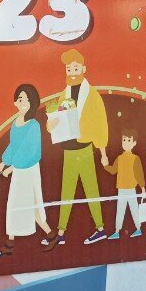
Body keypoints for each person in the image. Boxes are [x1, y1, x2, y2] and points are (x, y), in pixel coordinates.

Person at [42, 49, 109, 250]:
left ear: (83, 68)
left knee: (91, 189)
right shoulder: (65, 94)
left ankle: (100, 228)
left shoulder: (92, 95)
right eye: (69, 68)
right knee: (67, 192)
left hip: (84, 148)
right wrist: (50, 125)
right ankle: (61, 233)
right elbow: (57, 120)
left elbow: (100, 124)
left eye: (75, 68)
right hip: (68, 149)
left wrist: (103, 153)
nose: (72, 72)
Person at [0, 84, 54, 255]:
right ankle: (15, 241)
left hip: (29, 169)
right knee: (19, 204)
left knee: (28, 204)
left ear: (33, 103)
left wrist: (12, 167)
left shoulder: (33, 125)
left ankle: (13, 242)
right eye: (20, 99)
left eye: (27, 99)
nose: (23, 103)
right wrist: (3, 162)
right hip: (19, 170)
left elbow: (29, 150)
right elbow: (14, 146)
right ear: (15, 102)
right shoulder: (16, 123)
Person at [102, 129, 146, 239]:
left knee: (134, 208)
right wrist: (105, 165)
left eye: (129, 140)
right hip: (121, 188)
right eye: (124, 140)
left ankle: (138, 229)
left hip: (131, 188)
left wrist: (143, 189)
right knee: (120, 210)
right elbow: (113, 170)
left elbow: (139, 174)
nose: (126, 143)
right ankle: (117, 231)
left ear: (134, 143)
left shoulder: (135, 158)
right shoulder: (120, 158)